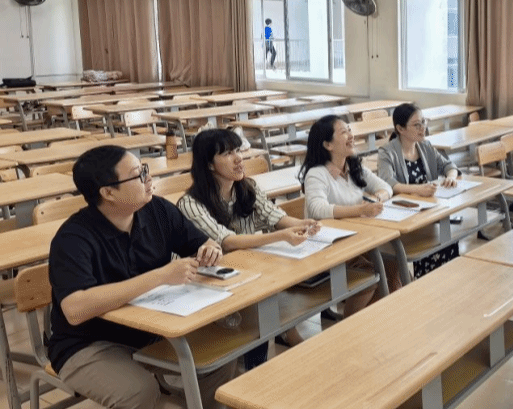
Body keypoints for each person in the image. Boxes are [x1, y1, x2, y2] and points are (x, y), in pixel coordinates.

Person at [48, 145, 233, 409]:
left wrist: (210, 249)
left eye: (144, 169)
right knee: (139, 391)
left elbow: (201, 242)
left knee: (219, 353)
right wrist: (160, 276)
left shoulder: (157, 210)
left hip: (151, 330)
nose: (149, 178)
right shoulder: (73, 238)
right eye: (138, 175)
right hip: (87, 344)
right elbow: (75, 309)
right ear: (108, 192)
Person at [177, 128, 321, 359]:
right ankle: (259, 358)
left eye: (237, 150)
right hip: (207, 281)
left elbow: (275, 217)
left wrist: (304, 224)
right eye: (227, 154)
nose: (238, 159)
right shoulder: (191, 204)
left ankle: (279, 337)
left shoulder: (247, 187)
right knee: (260, 305)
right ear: (209, 164)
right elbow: (228, 241)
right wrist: (281, 236)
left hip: (245, 271)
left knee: (268, 293)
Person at [298, 114, 400, 315]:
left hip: (354, 239)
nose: (351, 136)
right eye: (344, 132)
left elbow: (386, 187)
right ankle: (350, 324)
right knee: (369, 273)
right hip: (327, 246)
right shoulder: (317, 173)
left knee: (393, 262)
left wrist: (377, 199)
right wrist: (360, 210)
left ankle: (377, 319)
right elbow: (318, 210)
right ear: (327, 144)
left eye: (350, 130)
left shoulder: (353, 166)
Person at [376, 103, 461, 277]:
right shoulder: (387, 152)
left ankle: (447, 283)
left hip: (428, 212)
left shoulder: (425, 146)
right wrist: (417, 190)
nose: (423, 128)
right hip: (405, 215)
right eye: (417, 124)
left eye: (424, 122)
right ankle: (426, 283)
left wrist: (451, 177)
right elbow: (388, 183)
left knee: (448, 240)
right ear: (400, 128)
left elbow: (449, 166)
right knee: (430, 246)